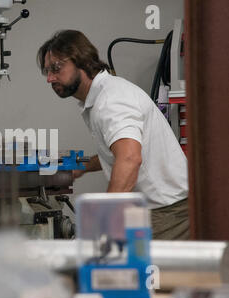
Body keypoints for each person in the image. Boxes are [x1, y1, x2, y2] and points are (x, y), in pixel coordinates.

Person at [37, 30, 189, 240]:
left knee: (144, 272)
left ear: (80, 60)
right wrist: (80, 167)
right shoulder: (102, 96)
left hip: (167, 213)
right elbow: (119, 152)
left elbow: (130, 158)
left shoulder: (111, 100)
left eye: (56, 68)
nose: (50, 78)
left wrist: (106, 216)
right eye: (47, 71)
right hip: (160, 209)